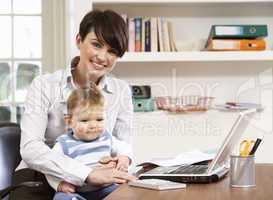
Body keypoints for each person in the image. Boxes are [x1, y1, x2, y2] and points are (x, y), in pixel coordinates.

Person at [10, 9, 135, 200]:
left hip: (99, 179)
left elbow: (123, 143)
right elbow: (31, 147)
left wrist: (122, 163)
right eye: (96, 45)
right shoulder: (44, 85)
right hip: (40, 175)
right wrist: (85, 173)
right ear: (79, 40)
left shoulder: (121, 91)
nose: (102, 57)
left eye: (112, 51)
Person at [47, 84, 132, 200]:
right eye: (85, 120)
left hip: (106, 188)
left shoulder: (107, 138)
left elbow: (124, 147)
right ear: (69, 121)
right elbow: (51, 167)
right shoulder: (63, 144)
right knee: (62, 198)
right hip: (77, 191)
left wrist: (124, 158)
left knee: (127, 191)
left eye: (99, 119)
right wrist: (59, 184)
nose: (93, 125)